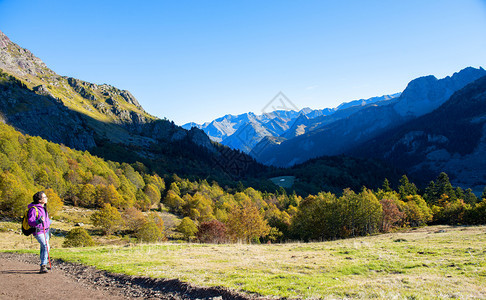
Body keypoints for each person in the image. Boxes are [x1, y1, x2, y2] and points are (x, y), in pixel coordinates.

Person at [27, 191, 51, 273]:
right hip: (38, 231)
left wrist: (49, 222)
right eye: (44, 197)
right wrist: (38, 221)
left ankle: (43, 264)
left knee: (44, 247)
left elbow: (45, 219)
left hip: (46, 230)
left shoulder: (43, 207)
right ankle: (43, 265)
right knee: (46, 246)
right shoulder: (34, 209)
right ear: (39, 200)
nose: (46, 198)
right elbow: (30, 222)